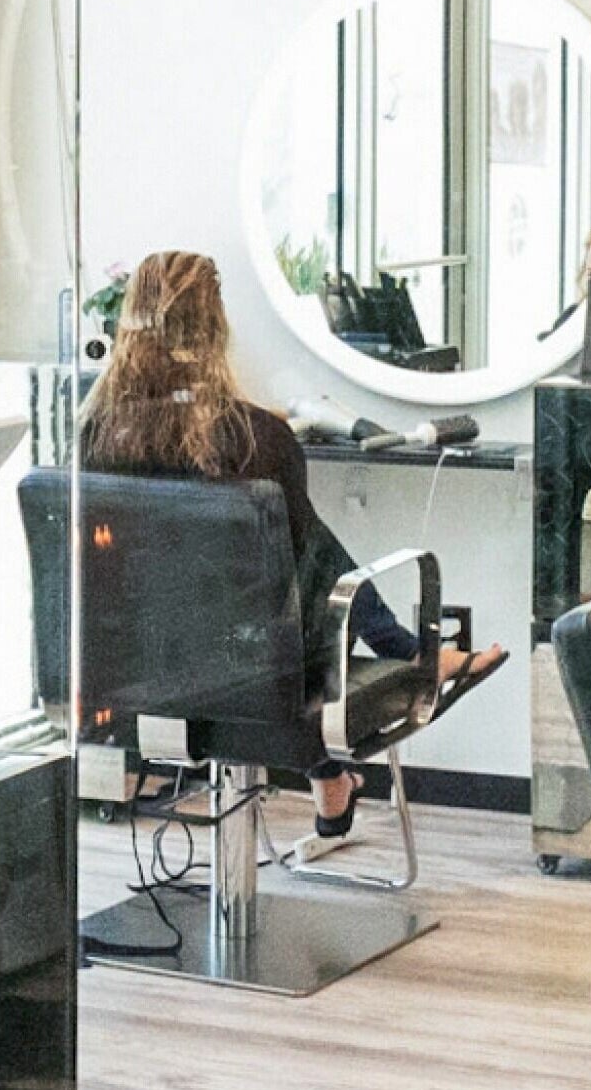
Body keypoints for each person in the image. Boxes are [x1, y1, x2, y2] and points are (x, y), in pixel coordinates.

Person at [80, 250, 503, 837]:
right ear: (216, 329)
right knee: (315, 559)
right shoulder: (258, 438)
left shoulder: (96, 433)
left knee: (299, 556)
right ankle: (406, 662)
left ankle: (339, 756)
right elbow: (306, 572)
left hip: (136, 670)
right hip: (257, 672)